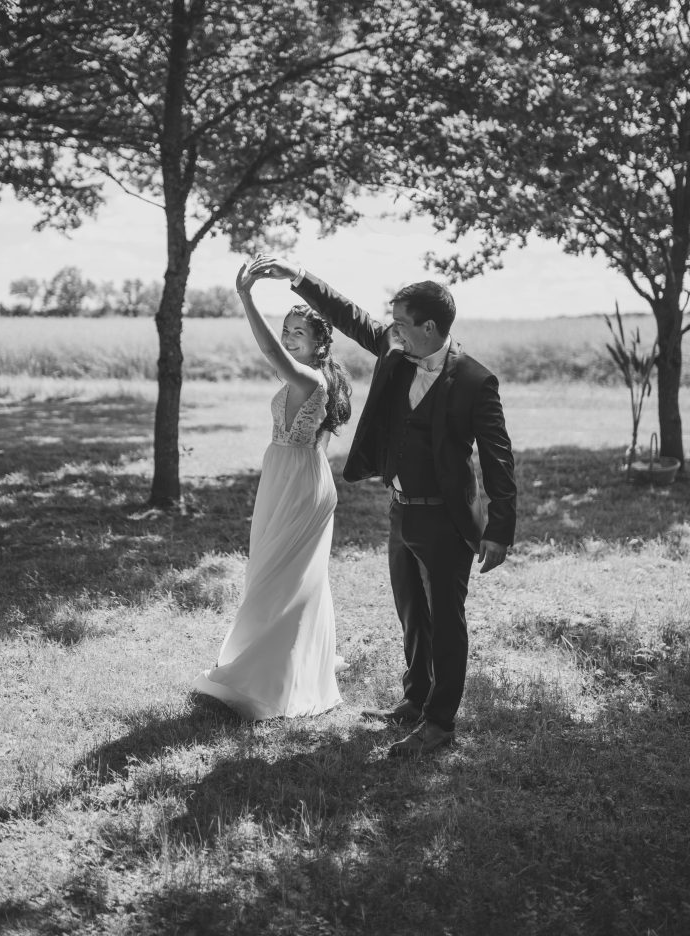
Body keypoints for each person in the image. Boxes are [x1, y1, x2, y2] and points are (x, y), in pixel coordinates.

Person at [246, 256, 516, 757]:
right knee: (413, 615)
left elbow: (498, 460)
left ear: (429, 327)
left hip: (446, 520)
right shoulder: (395, 348)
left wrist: (499, 528)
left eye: (402, 322)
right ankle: (414, 702)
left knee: (446, 621)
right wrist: (300, 277)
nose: (391, 328)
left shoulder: (477, 382)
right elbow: (350, 315)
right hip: (400, 511)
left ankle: (440, 725)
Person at [192, 257, 351, 721]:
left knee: (285, 578)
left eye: (298, 331)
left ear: (320, 342)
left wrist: (245, 296)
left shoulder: (310, 377)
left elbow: (269, 355)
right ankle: (278, 659)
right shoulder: (312, 375)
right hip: (285, 475)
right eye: (287, 328)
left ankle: (271, 676)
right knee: (268, 571)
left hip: (299, 484)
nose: (288, 336)